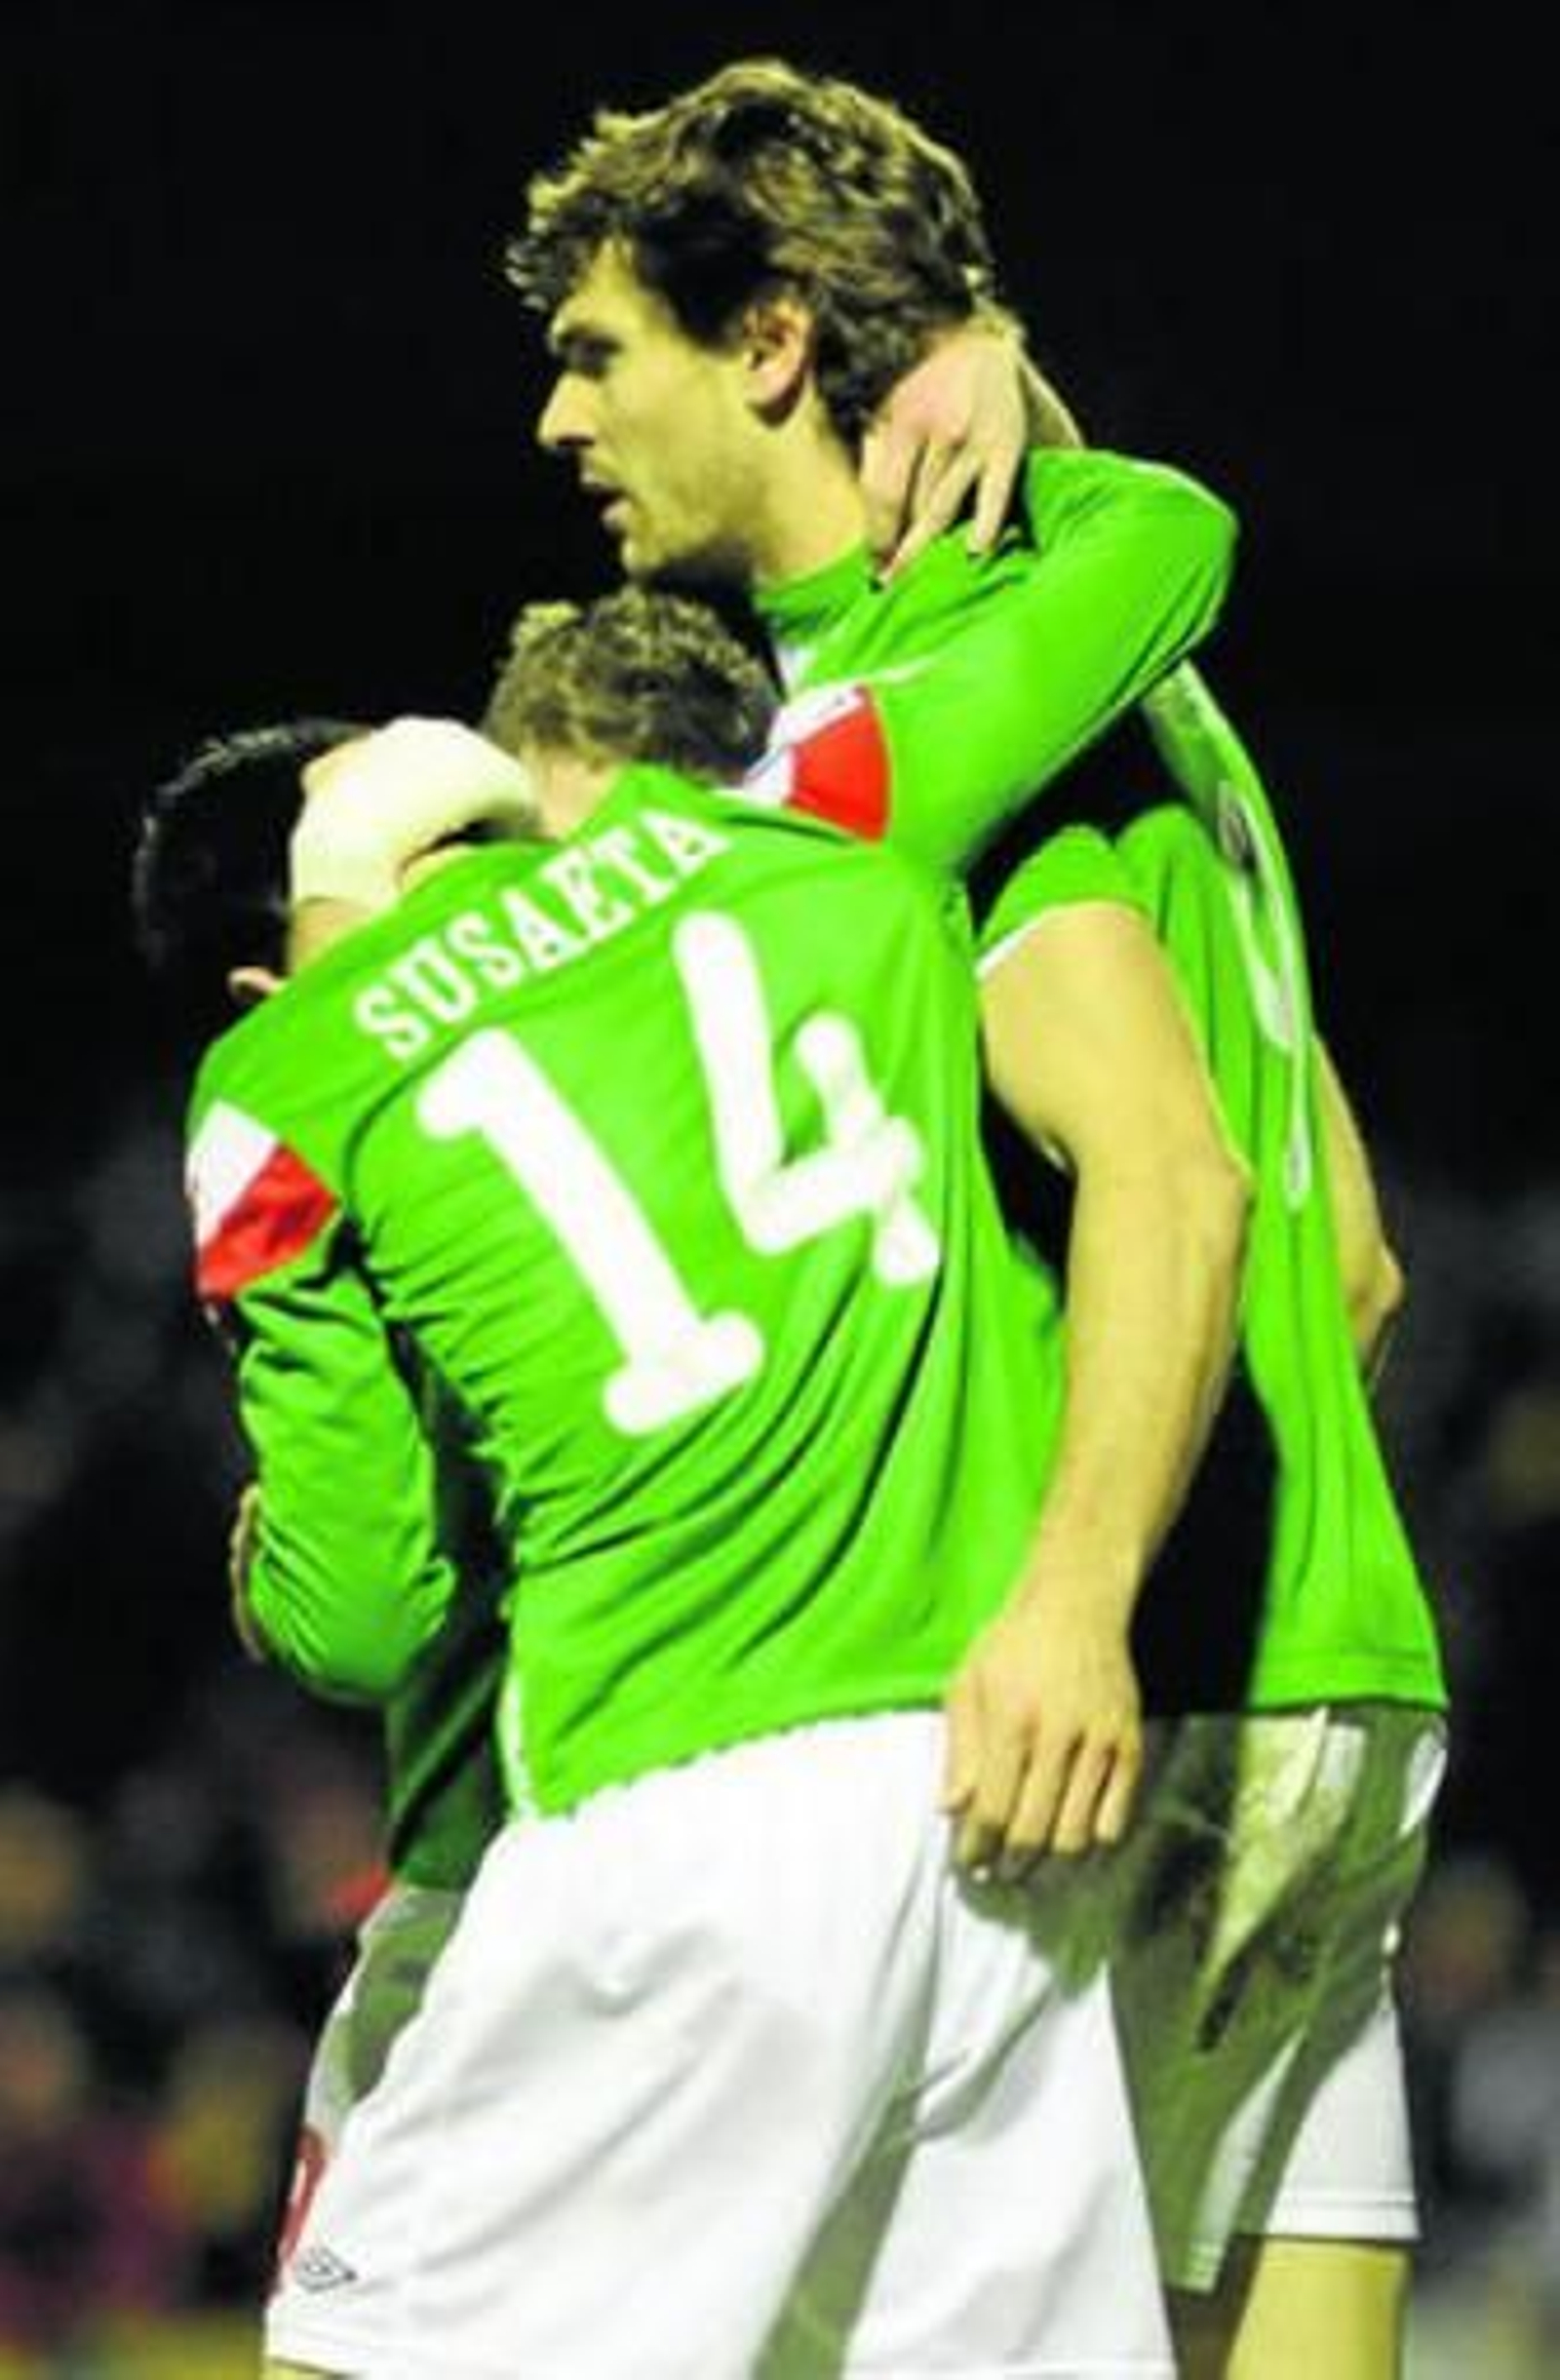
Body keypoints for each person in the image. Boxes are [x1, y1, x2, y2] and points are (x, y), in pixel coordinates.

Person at [508, 54, 1449, 2377]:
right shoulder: (1146, 688)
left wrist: (1071, 1598)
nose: (554, 419)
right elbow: (1344, 1246)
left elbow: (1173, 1174)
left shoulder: (943, 712)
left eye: (596, 349)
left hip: (1099, 1710)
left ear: (774, 347)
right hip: (1325, 1670)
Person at [135, 570, 1244, 2375]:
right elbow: (1160, 548)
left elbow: (356, 1612)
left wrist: (277, 1566)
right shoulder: (823, 860)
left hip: (655, 1811)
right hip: (988, 1793)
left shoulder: (296, 1078)